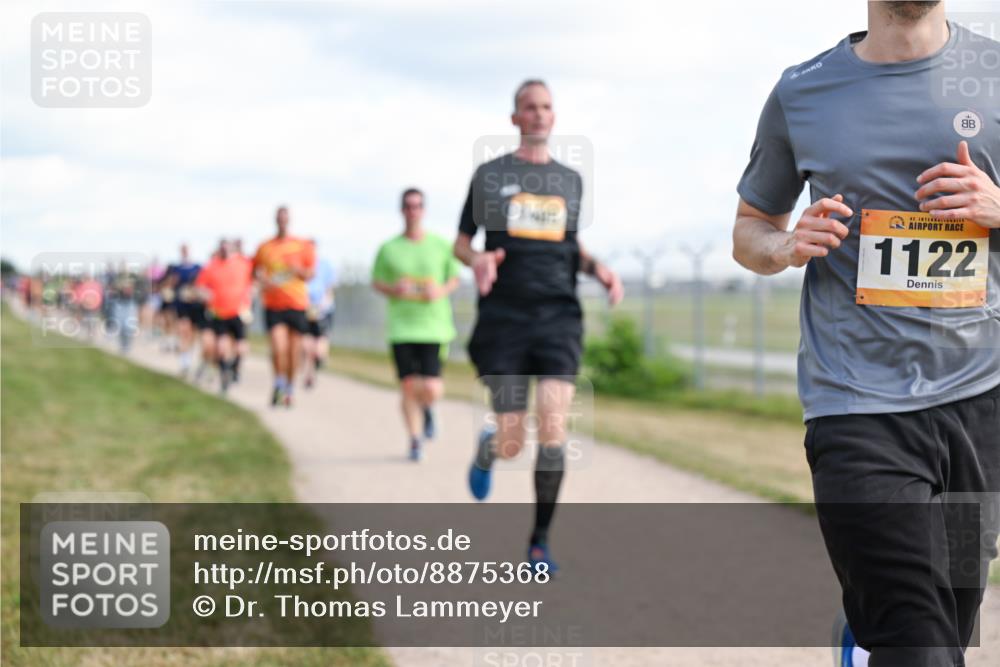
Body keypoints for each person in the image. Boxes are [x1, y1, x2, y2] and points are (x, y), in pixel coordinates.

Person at [731, 3, 1000, 665]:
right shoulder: (804, 90)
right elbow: (749, 229)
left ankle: (862, 633)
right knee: (921, 647)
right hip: (856, 401)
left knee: (948, 628)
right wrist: (788, 243)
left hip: (982, 397)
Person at [454, 80, 623, 571]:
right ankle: (490, 447)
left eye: (546, 107)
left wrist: (600, 270)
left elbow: (570, 247)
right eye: (529, 107)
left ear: (554, 116)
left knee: (553, 425)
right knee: (513, 438)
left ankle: (538, 542)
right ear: (515, 119)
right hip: (504, 319)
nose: (539, 114)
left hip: (558, 317)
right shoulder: (490, 175)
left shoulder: (570, 180)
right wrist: (479, 259)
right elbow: (461, 242)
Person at [373, 188, 461, 461]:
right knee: (408, 386)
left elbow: (455, 278)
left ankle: (429, 408)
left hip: (434, 326)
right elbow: (376, 281)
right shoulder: (389, 248)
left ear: (424, 210)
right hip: (402, 328)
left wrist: (440, 291)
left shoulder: (440, 245)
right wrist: (393, 289)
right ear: (402, 210)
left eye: (418, 206)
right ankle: (414, 440)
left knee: (431, 387)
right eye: (408, 206)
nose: (413, 211)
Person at [253, 206, 315, 407]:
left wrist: (298, 270)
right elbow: (256, 272)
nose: (282, 221)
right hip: (273, 304)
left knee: (293, 351)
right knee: (278, 347)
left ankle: (289, 387)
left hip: (296, 303)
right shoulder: (265, 246)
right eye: (279, 218)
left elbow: (310, 273)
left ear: (289, 220)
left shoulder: (302, 245)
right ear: (275, 220)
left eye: (285, 218)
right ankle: (279, 383)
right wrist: (263, 279)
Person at [196, 239, 254, 394]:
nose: (225, 251)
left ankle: (234, 368)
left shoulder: (243, 264)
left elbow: (255, 279)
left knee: (241, 347)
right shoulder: (211, 266)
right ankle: (224, 375)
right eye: (222, 249)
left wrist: (251, 294)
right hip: (219, 313)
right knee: (221, 347)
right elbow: (200, 286)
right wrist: (205, 294)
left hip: (239, 312)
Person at [303, 240, 337, 389]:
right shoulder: (302, 266)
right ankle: (309, 375)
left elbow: (330, 288)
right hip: (305, 308)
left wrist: (322, 305)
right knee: (307, 345)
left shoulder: (326, 265)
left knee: (321, 343)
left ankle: (319, 361)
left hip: (323, 309)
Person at [168, 244, 202, 376]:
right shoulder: (176, 269)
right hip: (182, 305)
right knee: (184, 331)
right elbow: (171, 284)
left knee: (192, 334)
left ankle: (187, 358)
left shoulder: (197, 267)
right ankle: (184, 362)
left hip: (194, 306)